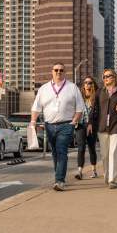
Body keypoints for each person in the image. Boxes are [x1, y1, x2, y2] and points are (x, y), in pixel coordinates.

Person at [31, 62, 84, 191]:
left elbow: (80, 108)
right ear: (52, 71)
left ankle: (59, 180)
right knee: (55, 153)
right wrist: (33, 121)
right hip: (49, 126)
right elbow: (37, 107)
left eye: (61, 70)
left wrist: (74, 121)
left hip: (66, 125)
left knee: (61, 151)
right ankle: (59, 177)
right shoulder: (44, 88)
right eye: (56, 70)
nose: (58, 72)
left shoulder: (72, 88)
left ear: (64, 72)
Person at [91, 69, 117, 189]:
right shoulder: (99, 92)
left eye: (108, 76)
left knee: (114, 152)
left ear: (114, 77)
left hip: (116, 125)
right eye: (104, 77)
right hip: (102, 127)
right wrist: (91, 123)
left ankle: (113, 179)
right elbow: (94, 110)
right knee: (105, 155)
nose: (105, 78)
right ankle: (107, 175)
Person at [74, 76, 99, 180]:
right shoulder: (79, 97)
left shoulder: (96, 97)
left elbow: (98, 112)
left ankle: (94, 170)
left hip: (92, 125)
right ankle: (80, 171)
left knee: (92, 148)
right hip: (80, 125)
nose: (87, 84)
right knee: (81, 148)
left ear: (93, 84)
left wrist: (91, 123)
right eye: (85, 83)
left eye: (90, 82)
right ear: (83, 85)